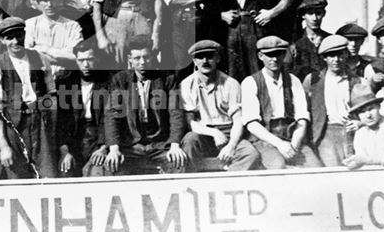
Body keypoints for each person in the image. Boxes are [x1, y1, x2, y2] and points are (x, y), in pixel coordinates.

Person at [0, 17, 59, 179]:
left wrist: (49, 125)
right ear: (3, 40)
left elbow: (51, 94)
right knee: (16, 176)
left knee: (48, 174)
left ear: (25, 34)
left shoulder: (40, 59)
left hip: (40, 123)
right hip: (14, 126)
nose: (15, 41)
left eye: (19, 35)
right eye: (10, 37)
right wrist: (4, 146)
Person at [103, 36, 187, 175]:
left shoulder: (168, 79)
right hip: (132, 144)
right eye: (137, 58)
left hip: (160, 144)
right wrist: (114, 149)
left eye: (146, 57)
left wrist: (175, 145)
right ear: (130, 59)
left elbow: (175, 113)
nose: (142, 62)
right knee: (112, 165)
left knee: (178, 163)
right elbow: (112, 115)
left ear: (154, 57)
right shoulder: (120, 80)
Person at [239, 36, 322, 169]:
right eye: (269, 55)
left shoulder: (293, 80)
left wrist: (294, 145)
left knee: (316, 168)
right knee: (278, 167)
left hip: (291, 136)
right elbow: (252, 124)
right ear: (260, 56)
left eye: (278, 54)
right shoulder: (251, 82)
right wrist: (280, 144)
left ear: (284, 54)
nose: (274, 59)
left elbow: (302, 117)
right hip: (264, 139)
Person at [180, 40, 260, 172]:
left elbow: (238, 120)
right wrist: (214, 132)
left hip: (228, 132)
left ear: (217, 58)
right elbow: (190, 122)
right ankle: (192, 187)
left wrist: (231, 145)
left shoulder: (231, 83)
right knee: (189, 141)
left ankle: (228, 184)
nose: (205, 61)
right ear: (194, 61)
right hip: (202, 132)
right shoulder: (186, 84)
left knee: (250, 154)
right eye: (200, 57)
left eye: (210, 56)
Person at [302, 35, 360, 167]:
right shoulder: (313, 80)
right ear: (324, 58)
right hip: (324, 132)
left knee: (352, 168)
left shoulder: (357, 81)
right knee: (333, 168)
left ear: (346, 55)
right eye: (331, 56)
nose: (336, 60)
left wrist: (359, 122)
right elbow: (303, 109)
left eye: (340, 55)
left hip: (350, 132)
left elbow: (365, 108)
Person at [55, 42, 111, 177]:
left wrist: (104, 148)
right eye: (81, 60)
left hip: (98, 135)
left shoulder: (108, 81)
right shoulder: (66, 83)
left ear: (97, 59)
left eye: (90, 60)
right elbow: (62, 121)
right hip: (76, 136)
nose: (86, 65)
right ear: (76, 61)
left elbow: (110, 118)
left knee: (98, 170)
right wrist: (65, 152)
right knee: (66, 169)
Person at [25, 0, 84, 75]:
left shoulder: (73, 26)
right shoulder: (31, 24)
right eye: (44, 0)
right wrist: (61, 53)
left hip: (66, 78)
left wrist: (45, 49)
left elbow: (75, 57)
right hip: (40, 78)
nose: (49, 4)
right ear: (39, 3)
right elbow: (29, 55)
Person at [291, 0, 331, 81]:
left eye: (318, 13)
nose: (314, 18)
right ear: (303, 15)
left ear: (324, 14)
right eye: (310, 13)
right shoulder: (294, 41)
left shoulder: (330, 40)